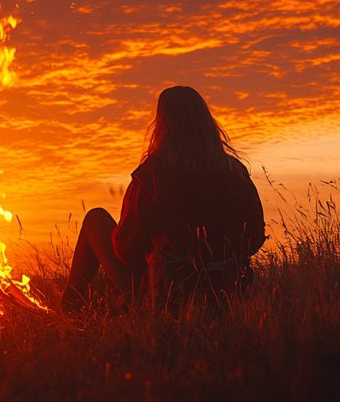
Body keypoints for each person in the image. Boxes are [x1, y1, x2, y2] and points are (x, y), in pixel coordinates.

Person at [61, 85, 265, 312]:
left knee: (95, 219)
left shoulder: (152, 176)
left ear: (163, 125)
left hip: (164, 294)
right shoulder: (234, 172)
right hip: (225, 291)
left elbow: (126, 252)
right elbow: (254, 239)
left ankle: (68, 310)